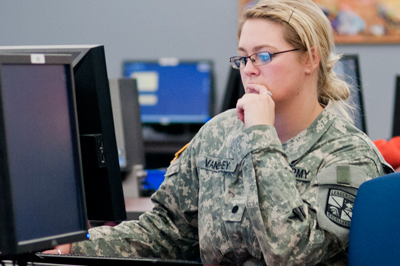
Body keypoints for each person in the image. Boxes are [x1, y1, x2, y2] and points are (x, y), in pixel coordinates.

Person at [47, 0, 393, 265]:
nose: (249, 70)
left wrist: (260, 135)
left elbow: (292, 254)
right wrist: (74, 246)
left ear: (310, 59)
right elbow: (163, 232)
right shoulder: (219, 134)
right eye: (243, 58)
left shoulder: (349, 156)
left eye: (264, 56)